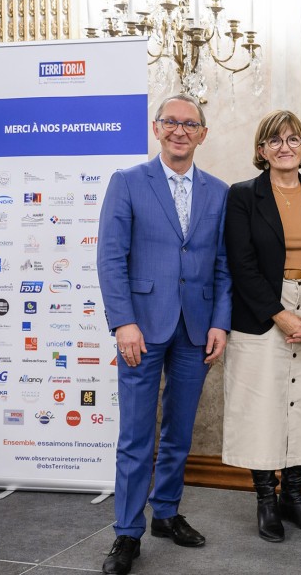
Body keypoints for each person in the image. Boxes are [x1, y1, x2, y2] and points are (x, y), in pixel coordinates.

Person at [97, 93, 232, 575]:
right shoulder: (128, 182)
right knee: (136, 435)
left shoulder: (219, 192)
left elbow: (222, 266)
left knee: (178, 432)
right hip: (142, 328)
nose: (180, 130)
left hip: (196, 329)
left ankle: (167, 512)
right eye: (170, 122)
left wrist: (219, 321)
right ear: (156, 129)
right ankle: (127, 533)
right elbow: (111, 258)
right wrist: (123, 322)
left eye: (189, 124)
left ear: (202, 134)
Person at [222, 110, 301, 543]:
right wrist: (280, 314)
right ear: (261, 151)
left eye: (293, 140)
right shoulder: (241, 197)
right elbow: (242, 264)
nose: (284, 147)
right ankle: (266, 500)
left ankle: (295, 495)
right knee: (264, 407)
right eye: (274, 141)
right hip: (263, 313)